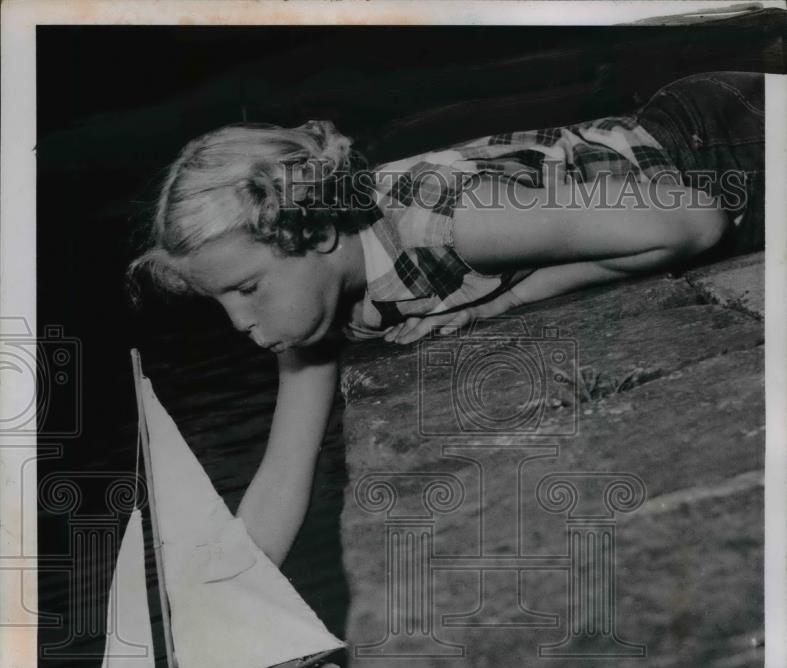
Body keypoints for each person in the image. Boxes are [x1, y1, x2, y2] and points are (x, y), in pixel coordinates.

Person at [128, 71, 764, 566]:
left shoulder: (448, 223)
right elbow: (281, 477)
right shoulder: (318, 299)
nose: (238, 321)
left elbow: (694, 222)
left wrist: (510, 299)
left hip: (725, 145)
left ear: (316, 235)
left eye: (245, 289)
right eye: (220, 301)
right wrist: (227, 615)